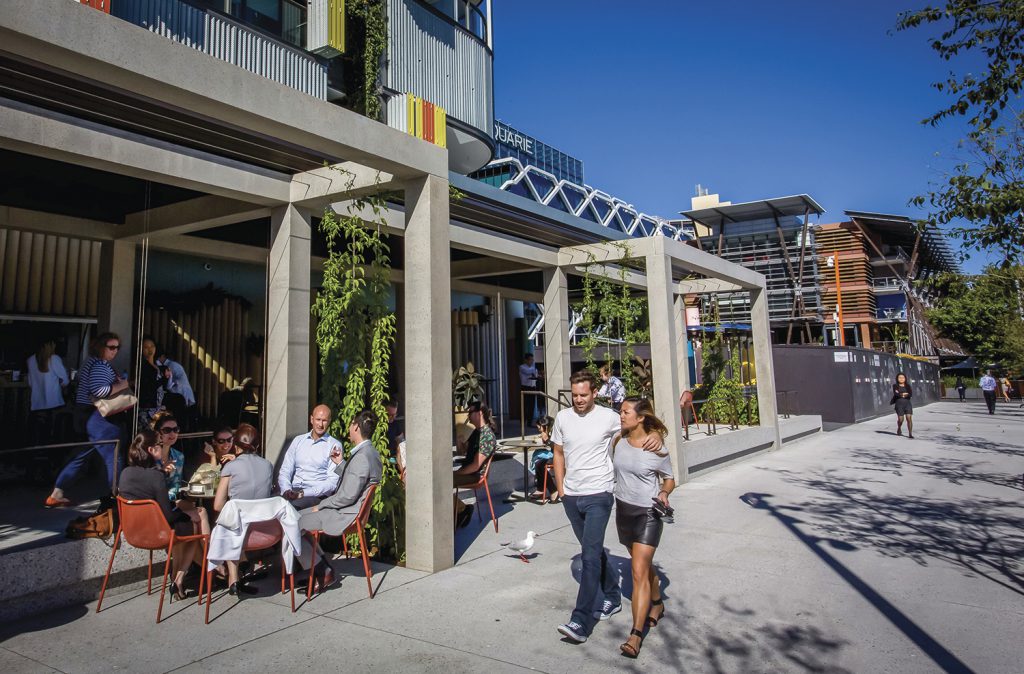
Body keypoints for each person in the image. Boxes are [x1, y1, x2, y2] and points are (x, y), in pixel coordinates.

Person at [551, 370, 659, 644]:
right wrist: (562, 489)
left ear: (594, 393)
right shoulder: (563, 418)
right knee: (594, 551)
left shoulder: (610, 417)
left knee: (588, 557)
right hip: (572, 496)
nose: (578, 400)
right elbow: (558, 453)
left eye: (584, 395)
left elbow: (639, 427)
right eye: (575, 395)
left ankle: (581, 621)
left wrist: (656, 435)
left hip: (599, 494)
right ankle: (612, 595)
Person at [612, 397, 676, 658]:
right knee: (642, 566)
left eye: (625, 412)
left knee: (638, 572)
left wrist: (664, 492)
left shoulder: (656, 447)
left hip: (648, 513)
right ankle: (657, 601)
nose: (621, 415)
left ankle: (635, 635)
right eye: (620, 411)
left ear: (640, 417)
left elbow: (670, 478)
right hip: (623, 510)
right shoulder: (618, 440)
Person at [296, 409, 383, 593]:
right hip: (351, 511)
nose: (349, 427)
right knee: (297, 518)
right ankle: (323, 566)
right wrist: (341, 464)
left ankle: (322, 570)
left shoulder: (361, 457)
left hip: (346, 515)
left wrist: (320, 505)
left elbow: (347, 496)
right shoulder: (371, 453)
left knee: (293, 522)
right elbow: (357, 480)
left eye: (352, 424)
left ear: (356, 427)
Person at [118, 429, 208, 600]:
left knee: (188, 524)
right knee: (195, 527)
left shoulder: (125, 472)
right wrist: (187, 515)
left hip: (133, 532)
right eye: (160, 445)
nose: (163, 447)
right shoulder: (155, 477)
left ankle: (183, 579)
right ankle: (180, 578)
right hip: (158, 532)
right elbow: (168, 516)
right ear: (152, 450)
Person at [45, 332, 131, 508]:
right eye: (111, 347)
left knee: (81, 454)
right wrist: (123, 384)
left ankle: (57, 492)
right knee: (113, 456)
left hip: (85, 415)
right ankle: (120, 498)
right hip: (99, 416)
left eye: (117, 347)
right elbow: (99, 391)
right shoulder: (100, 365)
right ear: (101, 346)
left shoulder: (90, 362)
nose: (115, 351)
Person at [212, 426, 274, 595]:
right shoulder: (268, 465)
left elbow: (217, 505)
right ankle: (244, 563)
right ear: (258, 445)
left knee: (228, 520)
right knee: (237, 518)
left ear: (237, 446)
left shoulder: (231, 467)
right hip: (265, 531)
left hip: (239, 534)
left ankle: (232, 578)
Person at [278, 404, 343, 509]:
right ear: (311, 419)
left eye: (324, 420)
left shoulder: (334, 445)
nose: (320, 424)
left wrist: (304, 493)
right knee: (269, 505)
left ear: (329, 421)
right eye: (318, 419)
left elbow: (332, 483)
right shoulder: (298, 440)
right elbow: (285, 470)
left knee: (289, 508)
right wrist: (286, 490)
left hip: (315, 495)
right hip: (293, 491)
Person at [453, 401, 498, 527]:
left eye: (470, 412)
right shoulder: (477, 432)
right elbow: (463, 451)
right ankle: (461, 509)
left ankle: (461, 511)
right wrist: (459, 440)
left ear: (479, 413)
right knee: (441, 480)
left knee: (443, 482)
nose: (468, 416)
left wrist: (456, 473)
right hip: (469, 471)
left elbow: (476, 465)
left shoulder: (487, 436)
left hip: (476, 475)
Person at [26, 339, 68, 446]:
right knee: (52, 437)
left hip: (36, 405)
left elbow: (30, 383)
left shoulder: (30, 360)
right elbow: (65, 381)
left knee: (37, 436)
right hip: (54, 404)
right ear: (50, 345)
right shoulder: (54, 359)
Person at [156, 350, 195, 429]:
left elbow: (171, 382)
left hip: (181, 394)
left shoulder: (172, 365)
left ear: (163, 356)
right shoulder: (168, 366)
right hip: (178, 395)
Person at [151, 412, 185, 500]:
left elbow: (176, 485)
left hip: (168, 501)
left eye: (175, 429)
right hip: (149, 501)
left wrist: (166, 500)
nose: (172, 433)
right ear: (158, 433)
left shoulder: (179, 456)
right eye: (167, 430)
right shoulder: (149, 454)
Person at [137, 335, 165, 428]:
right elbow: (147, 385)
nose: (150, 350)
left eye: (152, 346)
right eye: (146, 347)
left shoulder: (158, 366)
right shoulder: (142, 366)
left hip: (158, 406)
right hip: (146, 407)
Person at [529, 416, 555, 501]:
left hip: (559, 456)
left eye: (539, 427)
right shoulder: (548, 433)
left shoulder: (556, 433)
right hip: (552, 455)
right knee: (538, 463)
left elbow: (558, 448)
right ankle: (540, 489)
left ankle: (553, 490)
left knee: (541, 464)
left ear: (545, 426)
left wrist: (547, 440)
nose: (539, 429)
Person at [519, 353, 541, 424]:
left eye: (532, 360)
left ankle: (530, 421)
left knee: (532, 405)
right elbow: (528, 372)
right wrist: (534, 371)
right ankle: (522, 421)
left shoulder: (533, 368)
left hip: (532, 387)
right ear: (526, 360)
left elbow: (536, 375)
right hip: (525, 387)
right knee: (525, 405)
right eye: (530, 360)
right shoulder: (522, 367)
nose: (531, 361)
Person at [892, 372, 914, 438]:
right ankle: (899, 428)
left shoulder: (908, 386)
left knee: (909, 418)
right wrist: (903, 394)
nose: (901, 379)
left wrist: (902, 394)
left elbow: (910, 394)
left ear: (905, 378)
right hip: (899, 404)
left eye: (903, 377)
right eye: (899, 377)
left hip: (907, 404)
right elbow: (896, 394)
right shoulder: (895, 386)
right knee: (901, 419)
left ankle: (910, 434)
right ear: (897, 379)